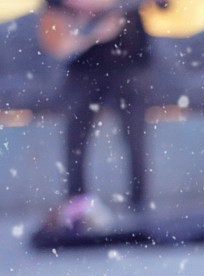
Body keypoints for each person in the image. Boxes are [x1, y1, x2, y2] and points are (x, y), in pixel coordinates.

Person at [38, 0, 166, 225]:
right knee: (76, 139)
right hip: (83, 66)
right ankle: (77, 205)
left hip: (130, 62)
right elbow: (54, 26)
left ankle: (139, 206)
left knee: (135, 136)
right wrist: (90, 26)